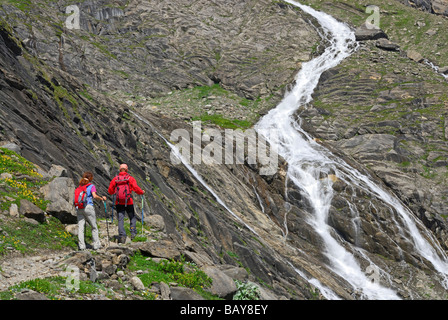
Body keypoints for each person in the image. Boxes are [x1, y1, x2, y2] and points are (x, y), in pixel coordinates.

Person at [108, 164, 145, 243]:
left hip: (119, 202)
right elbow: (135, 188)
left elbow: (110, 190)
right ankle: (133, 232)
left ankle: (122, 235)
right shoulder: (130, 178)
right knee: (132, 217)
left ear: (120, 169)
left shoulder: (115, 179)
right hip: (128, 201)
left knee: (120, 218)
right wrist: (141, 192)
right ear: (126, 169)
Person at [76, 171, 106, 250]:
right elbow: (94, 196)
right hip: (88, 207)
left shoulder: (80, 186)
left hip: (79, 207)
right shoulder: (91, 186)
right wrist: (101, 198)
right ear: (91, 178)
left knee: (80, 228)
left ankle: (81, 246)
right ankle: (96, 245)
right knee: (94, 227)